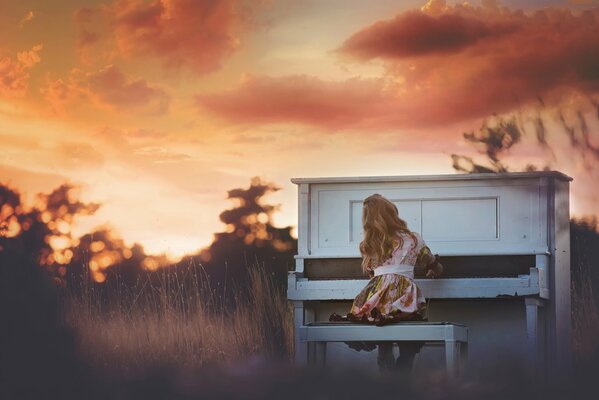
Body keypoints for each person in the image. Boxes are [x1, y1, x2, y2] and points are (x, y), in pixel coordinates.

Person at [329, 193, 443, 373]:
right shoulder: (414, 239)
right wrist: (436, 269)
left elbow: (373, 275)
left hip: (376, 296)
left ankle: (385, 362)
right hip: (404, 296)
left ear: (367, 220)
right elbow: (431, 262)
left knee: (381, 323)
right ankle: (404, 365)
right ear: (392, 213)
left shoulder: (369, 244)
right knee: (407, 330)